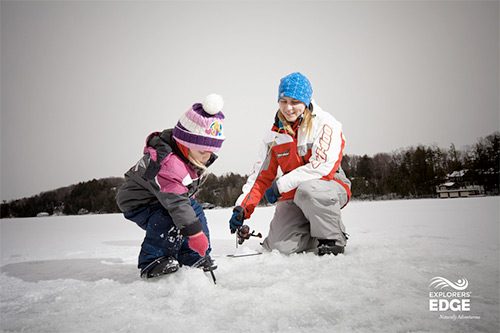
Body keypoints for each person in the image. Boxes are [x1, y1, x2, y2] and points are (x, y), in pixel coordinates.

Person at [229, 72, 351, 256]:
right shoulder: (274, 136)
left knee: (308, 191)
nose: (288, 108)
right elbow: (260, 178)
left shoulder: (326, 124)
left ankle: (332, 237)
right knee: (279, 248)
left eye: (295, 102)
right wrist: (242, 207)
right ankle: (313, 232)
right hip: (294, 193)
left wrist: (280, 185)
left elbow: (322, 167)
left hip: (329, 185)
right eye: (283, 101)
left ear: (306, 101)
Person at [116, 94, 225, 279]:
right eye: (202, 151)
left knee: (194, 212)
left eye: (211, 151)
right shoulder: (169, 164)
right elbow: (176, 204)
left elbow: (183, 198)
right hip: (140, 202)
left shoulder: (190, 157)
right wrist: (195, 234)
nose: (207, 156)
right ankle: (153, 260)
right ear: (185, 143)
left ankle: (192, 256)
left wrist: (196, 234)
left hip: (164, 197)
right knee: (170, 216)